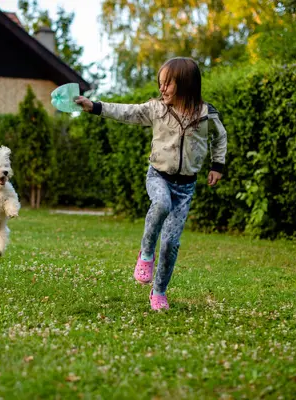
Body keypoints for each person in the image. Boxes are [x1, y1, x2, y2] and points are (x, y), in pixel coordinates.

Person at [75, 57, 227, 311]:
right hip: (158, 176)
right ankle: (146, 254)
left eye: (167, 84)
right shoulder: (156, 109)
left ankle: (159, 293)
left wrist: (217, 165)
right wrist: (96, 106)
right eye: (160, 83)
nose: (162, 89)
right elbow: (128, 112)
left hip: (186, 187)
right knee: (161, 203)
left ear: (186, 84)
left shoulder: (206, 115)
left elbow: (220, 139)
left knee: (171, 243)